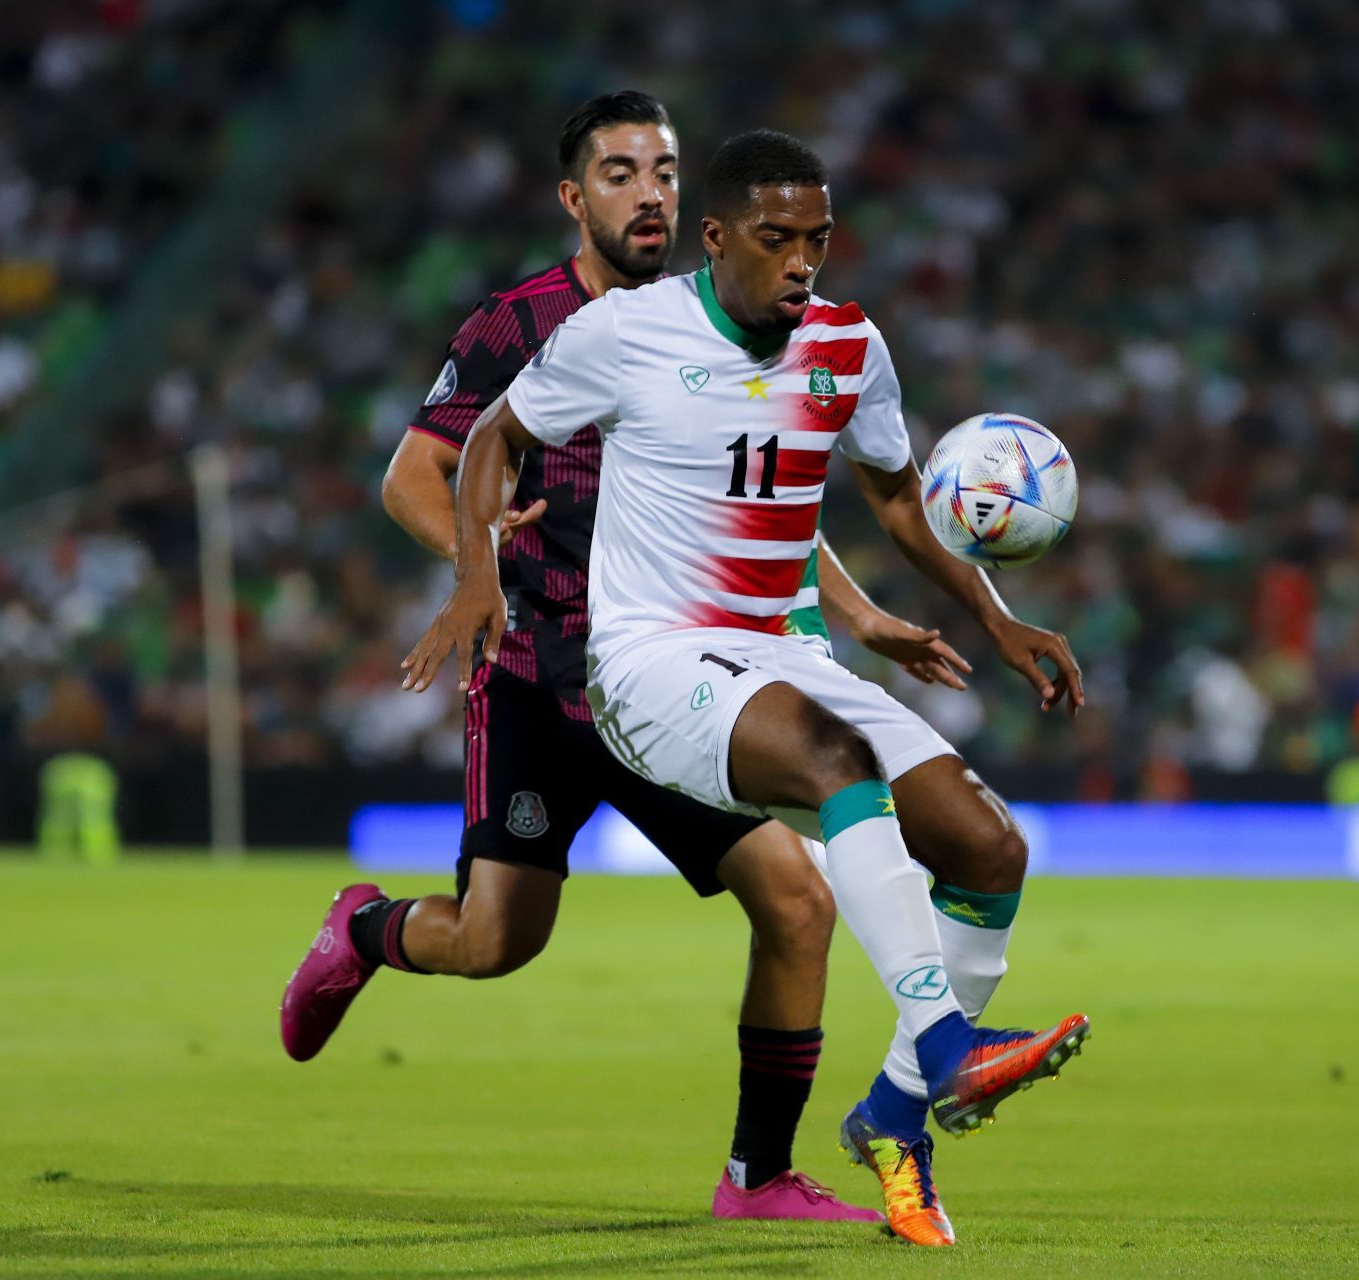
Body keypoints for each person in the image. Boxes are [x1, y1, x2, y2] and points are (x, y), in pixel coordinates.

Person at [281, 94, 967, 1226]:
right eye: (618, 173)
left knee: (796, 900)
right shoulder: (518, 324)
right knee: (495, 939)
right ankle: (360, 928)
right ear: (574, 197)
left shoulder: (728, 316)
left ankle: (758, 1178)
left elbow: (771, 502)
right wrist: (477, 565)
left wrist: (851, 605)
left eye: (662, 169)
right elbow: (417, 474)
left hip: (683, 676)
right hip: (539, 676)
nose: (647, 191)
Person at [404, 129, 1091, 1247]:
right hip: (645, 660)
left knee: (988, 846)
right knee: (835, 765)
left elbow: (899, 497)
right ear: (717, 237)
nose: (802, 264)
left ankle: (892, 1111)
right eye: (777, 241)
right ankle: (945, 1043)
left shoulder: (850, 345)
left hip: (779, 653)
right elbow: (490, 437)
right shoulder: (625, 332)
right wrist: (477, 573)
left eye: (818, 240)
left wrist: (996, 616)